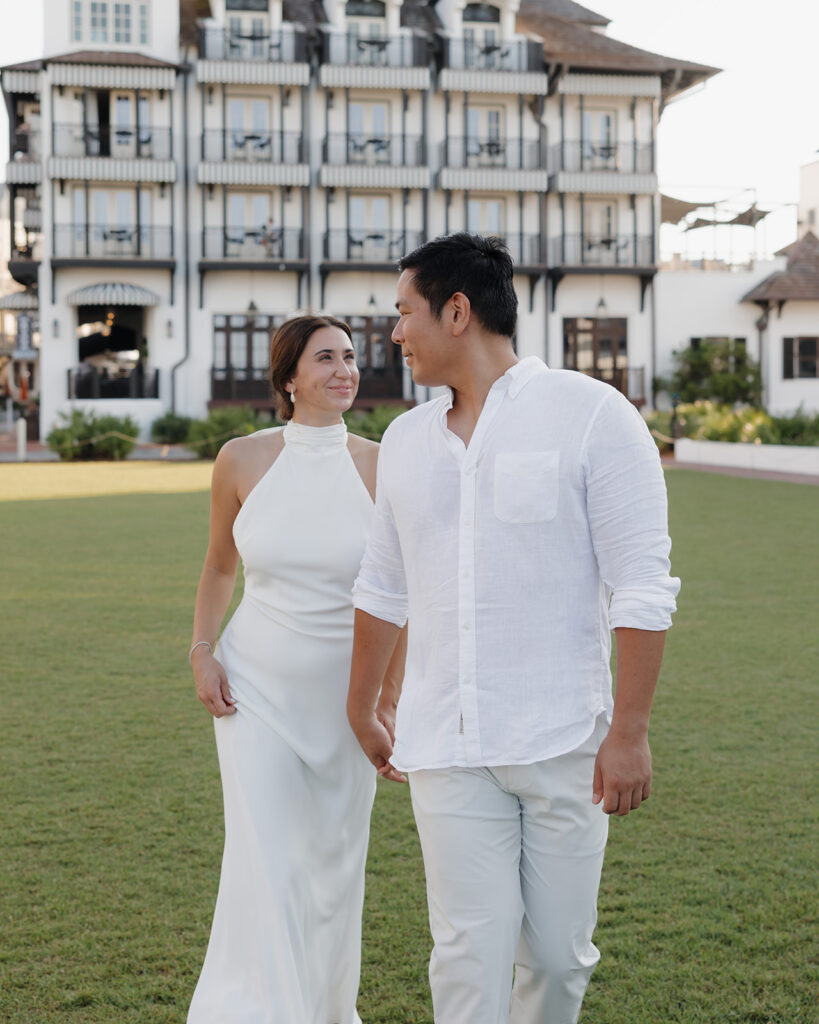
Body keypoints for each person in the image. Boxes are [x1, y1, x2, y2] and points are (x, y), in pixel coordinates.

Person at [347, 234, 680, 1024]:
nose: (394, 334)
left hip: (562, 739)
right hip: (445, 745)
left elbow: (642, 585)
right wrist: (362, 704)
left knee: (560, 961)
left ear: (456, 312)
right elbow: (382, 584)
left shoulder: (593, 415)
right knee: (465, 954)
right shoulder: (404, 442)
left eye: (404, 313)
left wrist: (627, 731)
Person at [188, 314, 405, 1024]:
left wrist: (386, 703)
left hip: (346, 702)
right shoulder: (241, 460)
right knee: (269, 863)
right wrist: (201, 650)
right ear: (289, 378)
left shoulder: (383, 464)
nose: (345, 369)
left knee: (332, 873)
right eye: (325, 358)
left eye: (350, 357)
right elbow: (221, 565)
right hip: (255, 692)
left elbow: (402, 596)